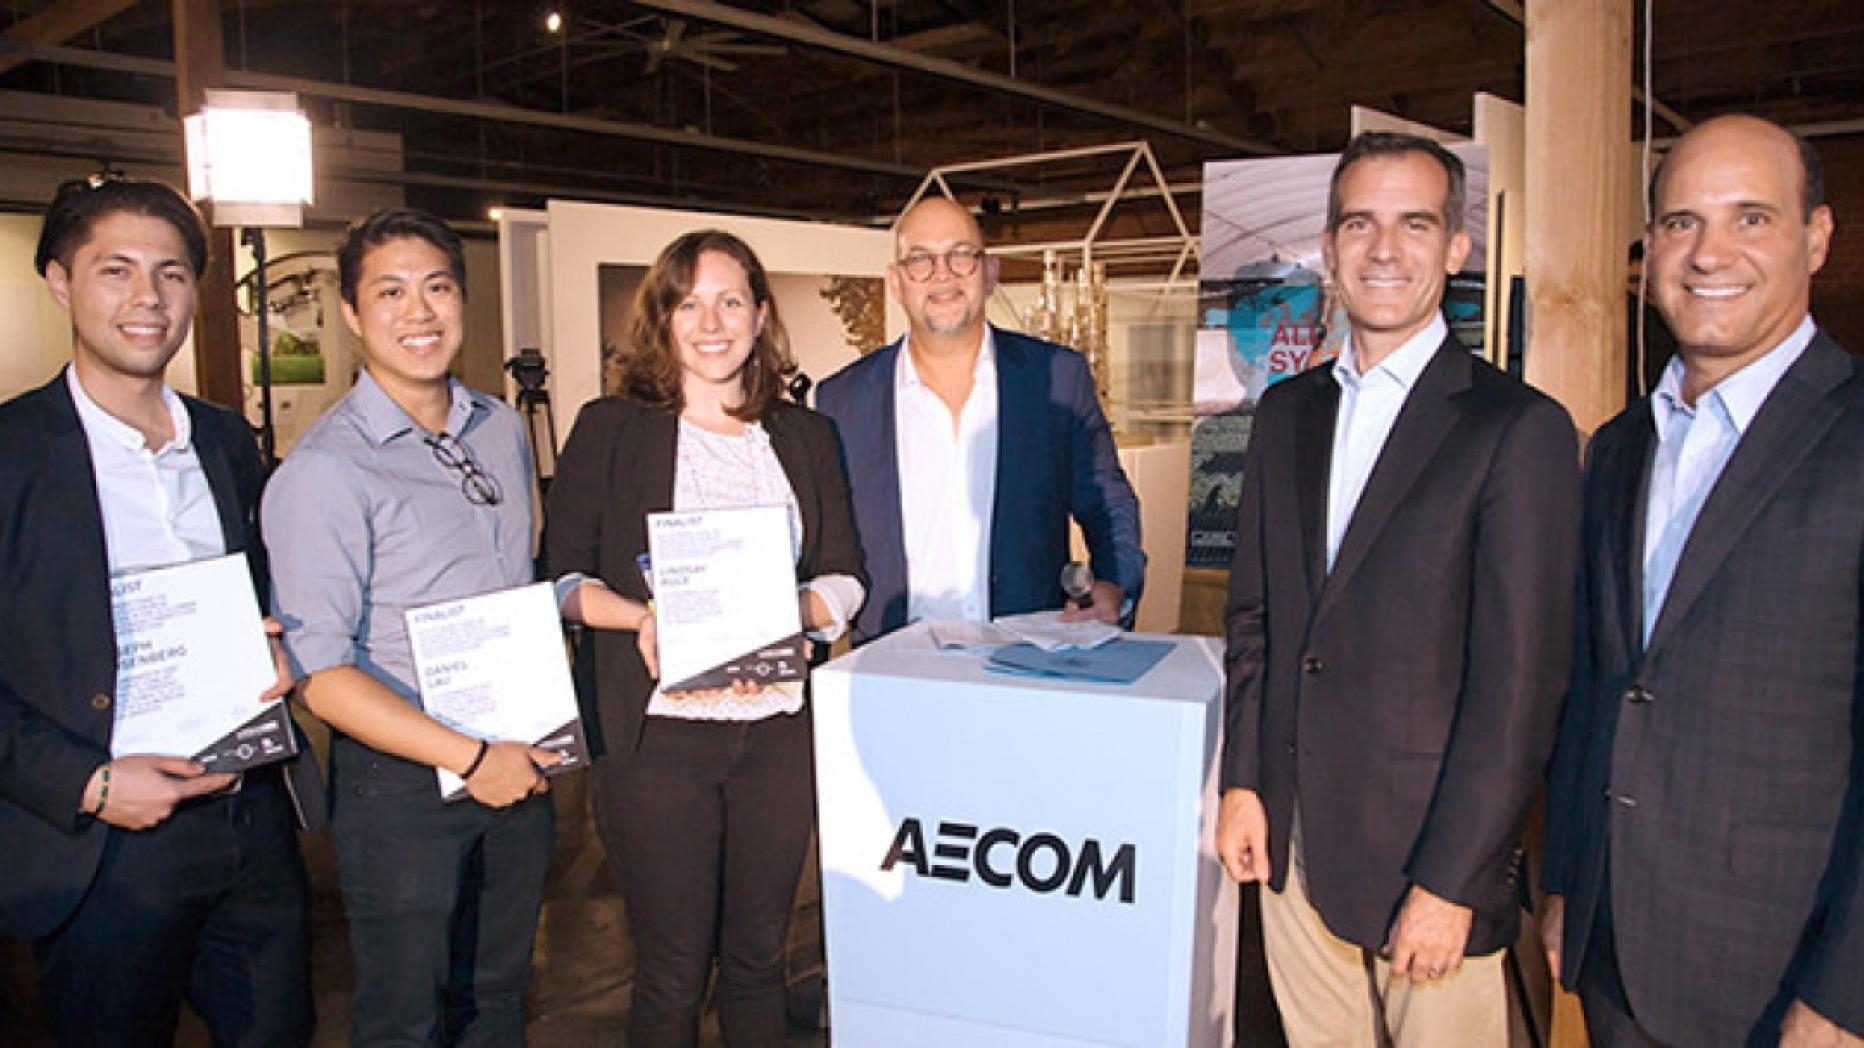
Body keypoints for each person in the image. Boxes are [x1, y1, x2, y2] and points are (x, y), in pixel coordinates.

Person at [1213, 131, 1580, 1046]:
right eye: (1360, 224)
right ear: (1331, 248)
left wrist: (1455, 880)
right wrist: (1245, 782)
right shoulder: (1287, 414)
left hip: (1430, 867)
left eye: (1414, 224)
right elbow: (1255, 617)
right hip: (1293, 851)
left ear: (1456, 248)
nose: (1384, 249)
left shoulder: (1516, 429)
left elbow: (1521, 690)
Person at [1542, 114, 1863, 1047]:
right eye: (1680, 223)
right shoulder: (1618, 449)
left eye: (1750, 218)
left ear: (1817, 237)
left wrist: (1848, 995)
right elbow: (1598, 688)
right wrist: (1568, 881)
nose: (1708, 252)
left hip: (1784, 977)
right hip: (1614, 956)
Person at [0, 174, 315, 1045]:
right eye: (117, 271)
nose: (148, 299)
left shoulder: (225, 440)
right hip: (101, 844)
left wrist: (278, 653)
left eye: (171, 274)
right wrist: (91, 784)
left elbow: (260, 599)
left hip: (249, 818)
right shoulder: (12, 458)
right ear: (61, 281)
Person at [545, 229, 864, 1046]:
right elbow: (561, 580)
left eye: (731, 301)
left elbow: (847, 575)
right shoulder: (612, 428)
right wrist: (645, 617)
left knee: (758, 957)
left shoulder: (803, 436)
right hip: (658, 742)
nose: (712, 322)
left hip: (778, 736)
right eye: (690, 303)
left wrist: (781, 613)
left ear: (761, 316)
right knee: (673, 968)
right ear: (664, 318)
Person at [264, 207, 559, 1045]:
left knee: (498, 996)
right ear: (353, 315)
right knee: (405, 1016)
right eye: (389, 292)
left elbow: (519, 584)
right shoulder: (325, 470)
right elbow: (320, 675)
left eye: (436, 287)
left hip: (518, 761)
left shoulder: (498, 427)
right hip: (403, 788)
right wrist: (469, 759)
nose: (418, 312)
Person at [814, 195, 1143, 643]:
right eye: (920, 260)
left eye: (961, 255)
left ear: (990, 273)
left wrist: (1113, 583)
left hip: (1023, 662)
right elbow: (826, 542)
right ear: (896, 281)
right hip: (891, 669)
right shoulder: (842, 400)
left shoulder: (1056, 379)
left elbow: (1106, 500)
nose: (942, 273)